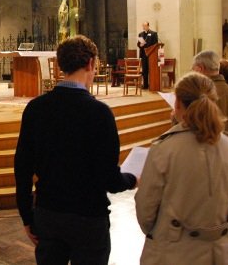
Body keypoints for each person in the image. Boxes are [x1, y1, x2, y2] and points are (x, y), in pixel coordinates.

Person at [15, 35, 137, 265]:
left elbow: (22, 167)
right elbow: (109, 179)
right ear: (91, 63)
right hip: (89, 218)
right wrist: (131, 179)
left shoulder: (36, 109)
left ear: (61, 64)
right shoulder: (100, 114)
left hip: (48, 212)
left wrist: (26, 215)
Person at [135, 72, 228, 265]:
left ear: (177, 104)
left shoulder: (164, 149)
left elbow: (146, 212)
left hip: (175, 252)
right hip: (221, 252)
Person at [191, 50, 228, 136]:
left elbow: (198, 126)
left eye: (193, 69)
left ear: (200, 69)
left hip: (210, 145)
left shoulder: (205, 93)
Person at [137, 22, 158, 89]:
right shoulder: (140, 34)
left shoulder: (153, 33)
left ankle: (152, 85)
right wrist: (140, 45)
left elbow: (156, 44)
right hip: (144, 54)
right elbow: (138, 44)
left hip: (151, 54)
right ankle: (145, 85)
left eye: (145, 25)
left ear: (148, 26)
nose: (144, 27)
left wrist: (149, 47)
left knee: (151, 70)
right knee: (144, 70)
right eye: (143, 26)